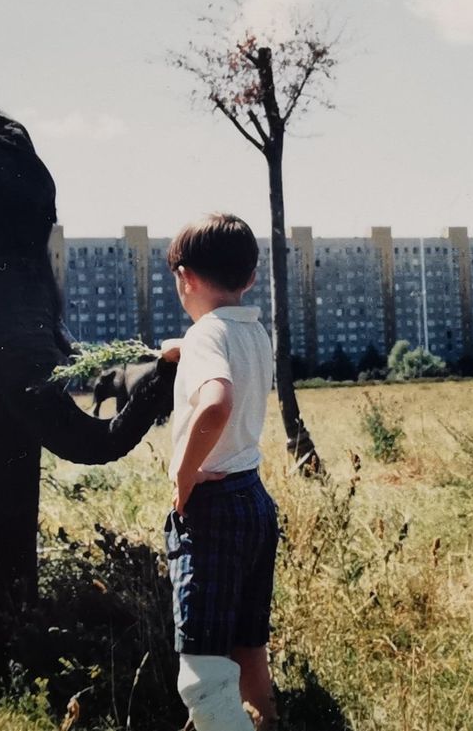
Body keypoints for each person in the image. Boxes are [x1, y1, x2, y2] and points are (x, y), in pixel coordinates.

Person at [161, 212, 278, 730]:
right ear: (249, 278)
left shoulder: (206, 335)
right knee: (247, 645)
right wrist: (177, 349)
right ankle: (267, 721)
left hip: (211, 507)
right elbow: (219, 349)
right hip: (254, 501)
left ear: (184, 277)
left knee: (202, 673)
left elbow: (216, 403)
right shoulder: (253, 330)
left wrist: (184, 475)